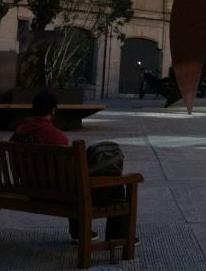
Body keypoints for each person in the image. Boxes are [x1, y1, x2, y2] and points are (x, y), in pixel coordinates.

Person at [12, 90, 136, 245]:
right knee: (116, 185)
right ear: (53, 110)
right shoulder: (55, 136)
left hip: (30, 189)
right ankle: (118, 236)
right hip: (58, 195)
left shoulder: (19, 132)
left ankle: (80, 232)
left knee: (71, 181)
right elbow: (68, 172)